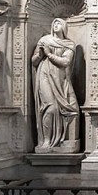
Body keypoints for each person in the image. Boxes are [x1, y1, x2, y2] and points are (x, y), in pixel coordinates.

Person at [32, 18, 79, 152]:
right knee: (50, 107)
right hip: (44, 75)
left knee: (70, 109)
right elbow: (34, 61)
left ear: (64, 27)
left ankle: (62, 141)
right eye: (54, 23)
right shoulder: (44, 40)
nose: (56, 25)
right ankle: (46, 140)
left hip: (60, 79)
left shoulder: (69, 44)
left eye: (59, 23)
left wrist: (48, 54)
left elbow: (65, 62)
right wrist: (40, 55)